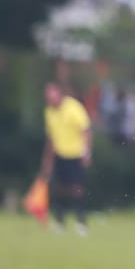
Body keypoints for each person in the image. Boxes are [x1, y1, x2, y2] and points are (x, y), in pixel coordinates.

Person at [38, 82, 93, 235]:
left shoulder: (73, 107)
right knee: (58, 189)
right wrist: (47, 160)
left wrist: (86, 152)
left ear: (60, 94)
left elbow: (86, 130)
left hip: (75, 154)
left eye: (52, 94)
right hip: (59, 154)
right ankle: (59, 221)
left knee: (77, 189)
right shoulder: (49, 111)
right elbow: (51, 138)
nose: (50, 98)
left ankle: (81, 221)